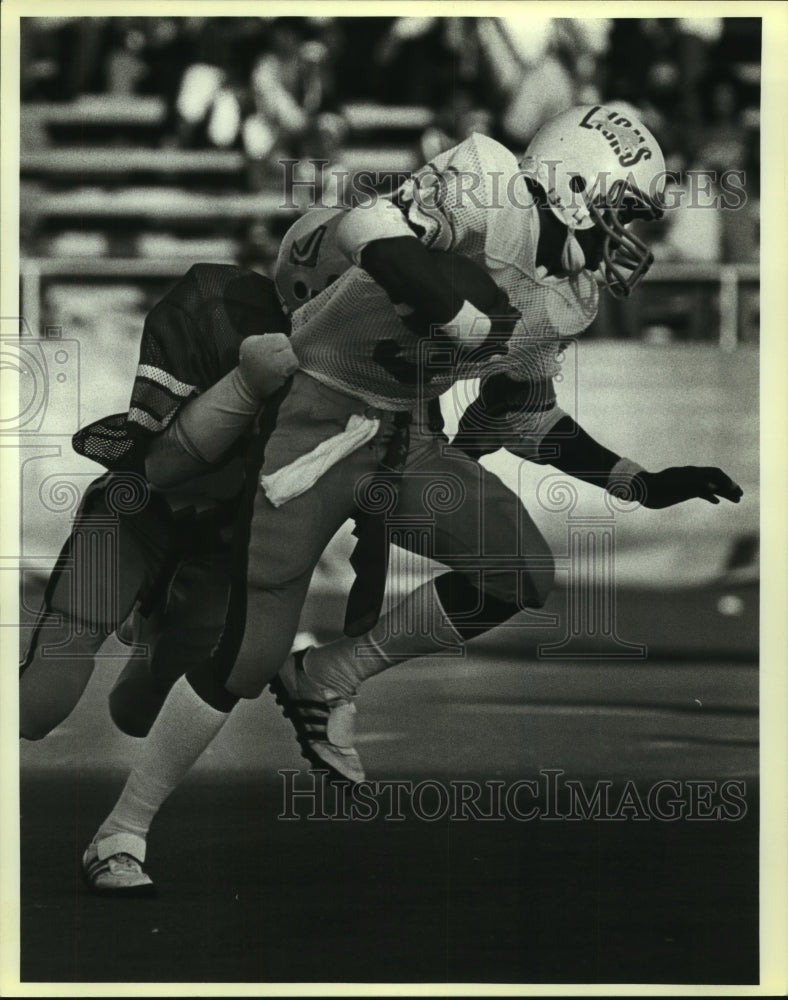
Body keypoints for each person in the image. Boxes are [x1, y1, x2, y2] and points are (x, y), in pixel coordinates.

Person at [81, 105, 742, 895]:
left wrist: (640, 481)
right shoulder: (489, 186)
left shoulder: (568, 298)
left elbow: (521, 415)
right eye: (622, 211)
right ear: (574, 187)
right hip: (311, 411)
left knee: (519, 567)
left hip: (403, 435)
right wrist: (455, 310)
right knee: (250, 653)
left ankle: (328, 675)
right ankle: (122, 828)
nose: (629, 238)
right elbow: (367, 228)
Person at [20, 264, 298, 743]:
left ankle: (152, 632)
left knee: (139, 710)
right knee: (53, 674)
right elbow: (162, 465)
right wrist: (245, 388)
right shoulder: (223, 309)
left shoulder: (340, 350)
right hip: (149, 509)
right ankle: (147, 625)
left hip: (221, 534)